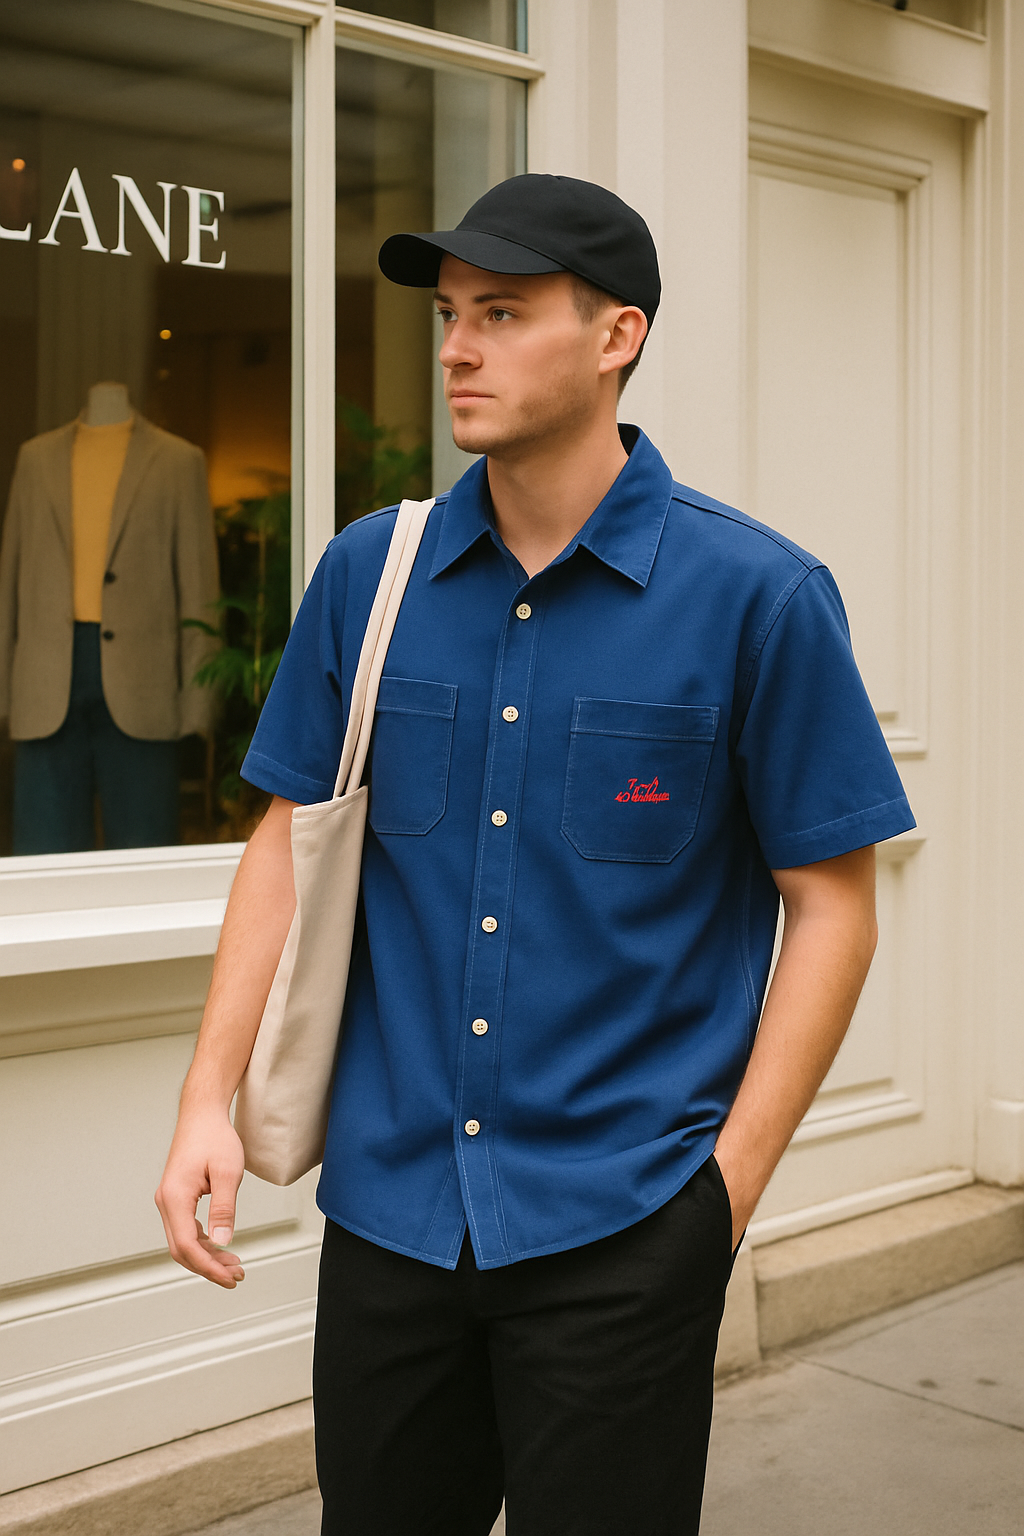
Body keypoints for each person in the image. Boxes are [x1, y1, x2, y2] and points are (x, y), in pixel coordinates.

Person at [156, 174, 915, 1535]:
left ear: (617, 334)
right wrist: (206, 1100)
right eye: (450, 313)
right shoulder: (369, 580)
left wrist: (721, 1197)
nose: (455, 345)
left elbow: (834, 905)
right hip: (390, 1224)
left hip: (625, 1229)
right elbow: (286, 838)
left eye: (500, 313)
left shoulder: (759, 599)